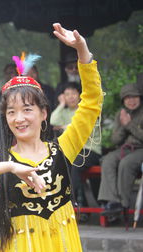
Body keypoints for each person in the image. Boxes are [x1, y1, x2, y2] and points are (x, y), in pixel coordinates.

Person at [0, 23, 103, 251]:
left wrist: (83, 52)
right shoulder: (2, 159)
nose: (19, 118)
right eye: (11, 112)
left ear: (44, 114)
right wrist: (9, 167)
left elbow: (91, 103)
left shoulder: (64, 147)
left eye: (27, 109)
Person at [50, 82, 102, 222]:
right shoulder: (65, 112)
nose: (71, 97)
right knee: (56, 162)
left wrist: (65, 127)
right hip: (72, 150)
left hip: (89, 150)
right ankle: (63, 202)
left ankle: (72, 203)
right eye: (67, 94)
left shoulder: (86, 110)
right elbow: (53, 121)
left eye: (73, 93)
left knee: (75, 164)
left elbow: (81, 129)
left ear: (80, 95)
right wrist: (61, 105)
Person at [98, 83, 143, 217]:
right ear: (123, 100)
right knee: (108, 160)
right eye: (127, 98)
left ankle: (123, 202)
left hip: (140, 149)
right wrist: (123, 126)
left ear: (140, 98)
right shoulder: (121, 114)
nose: (131, 101)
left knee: (126, 163)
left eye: (134, 97)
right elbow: (115, 140)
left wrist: (129, 125)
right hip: (125, 148)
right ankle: (113, 201)